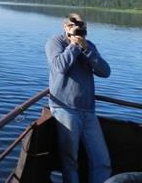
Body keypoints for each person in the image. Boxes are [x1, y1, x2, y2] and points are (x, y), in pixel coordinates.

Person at [45, 12, 112, 183]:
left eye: (82, 25)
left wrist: (86, 49)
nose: (79, 27)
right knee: (70, 161)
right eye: (75, 23)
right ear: (65, 26)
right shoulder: (56, 42)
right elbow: (60, 66)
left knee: (102, 161)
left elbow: (105, 72)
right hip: (64, 109)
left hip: (88, 111)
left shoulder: (89, 46)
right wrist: (74, 45)